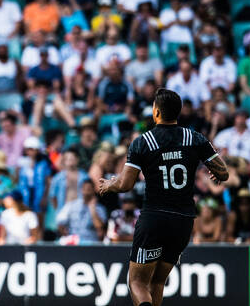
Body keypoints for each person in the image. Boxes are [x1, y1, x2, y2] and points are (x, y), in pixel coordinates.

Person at [98, 88, 229, 306]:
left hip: (155, 218)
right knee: (157, 282)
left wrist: (110, 184)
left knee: (137, 282)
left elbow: (126, 184)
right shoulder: (193, 138)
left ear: (156, 112)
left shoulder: (143, 142)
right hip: (183, 221)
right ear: (177, 113)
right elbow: (223, 173)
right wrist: (214, 171)